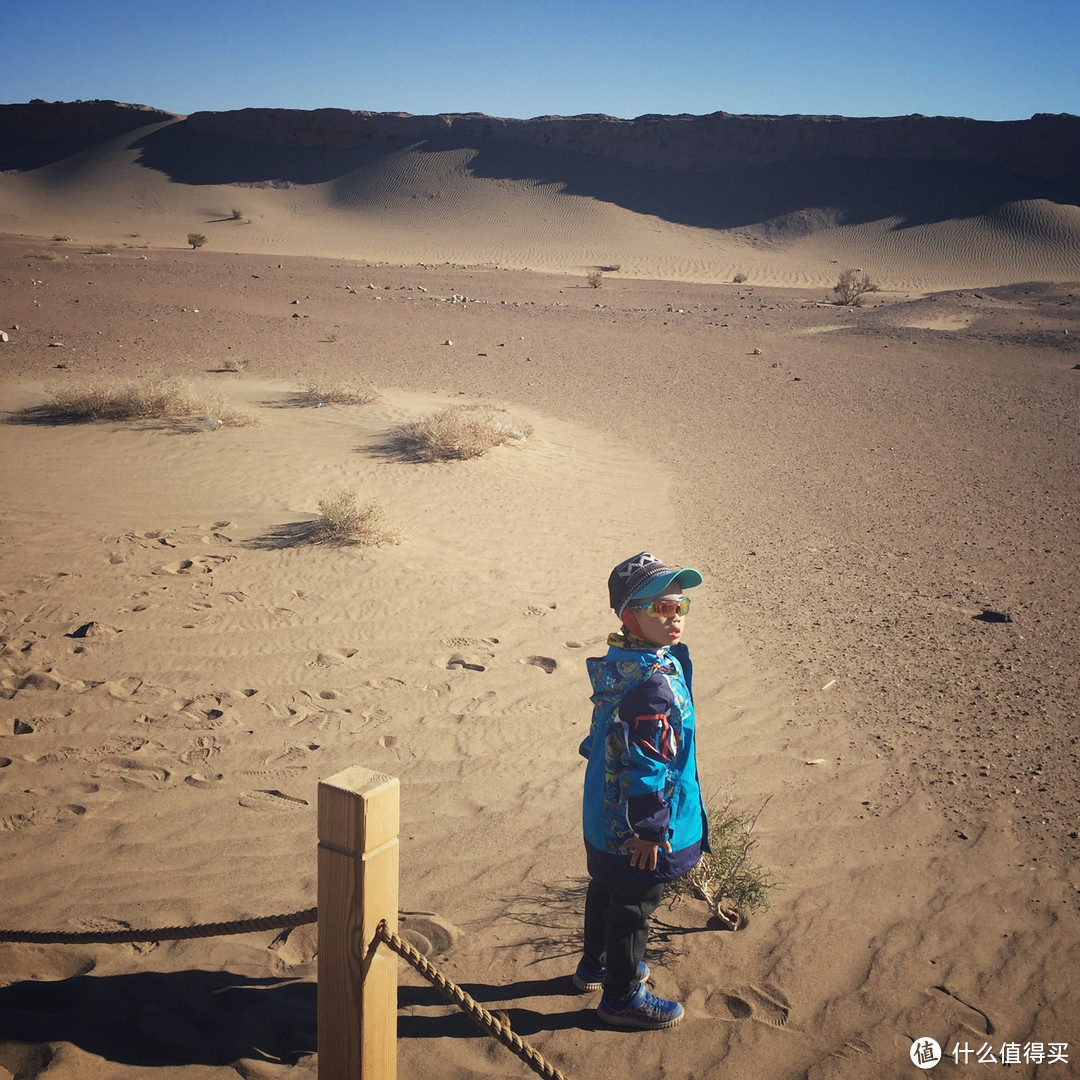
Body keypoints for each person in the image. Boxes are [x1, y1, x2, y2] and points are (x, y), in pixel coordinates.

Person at [575, 551, 708, 1030]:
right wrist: (650, 832)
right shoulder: (652, 684)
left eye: (679, 606)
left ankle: (594, 964)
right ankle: (622, 997)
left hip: (604, 812)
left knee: (606, 887)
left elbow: (606, 728)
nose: (674, 618)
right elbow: (649, 766)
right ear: (630, 615)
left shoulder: (625, 661)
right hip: (636, 825)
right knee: (633, 903)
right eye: (660, 608)